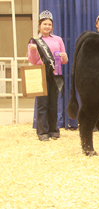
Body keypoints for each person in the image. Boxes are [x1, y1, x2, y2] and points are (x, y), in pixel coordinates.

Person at [28, 10, 68, 141]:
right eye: (44, 24)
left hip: (55, 73)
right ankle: (42, 132)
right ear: (39, 25)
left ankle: (53, 130)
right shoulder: (35, 41)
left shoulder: (58, 40)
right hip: (40, 73)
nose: (47, 26)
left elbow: (64, 60)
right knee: (42, 104)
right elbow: (32, 61)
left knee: (53, 103)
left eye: (49, 24)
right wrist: (33, 50)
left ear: (52, 26)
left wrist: (64, 57)